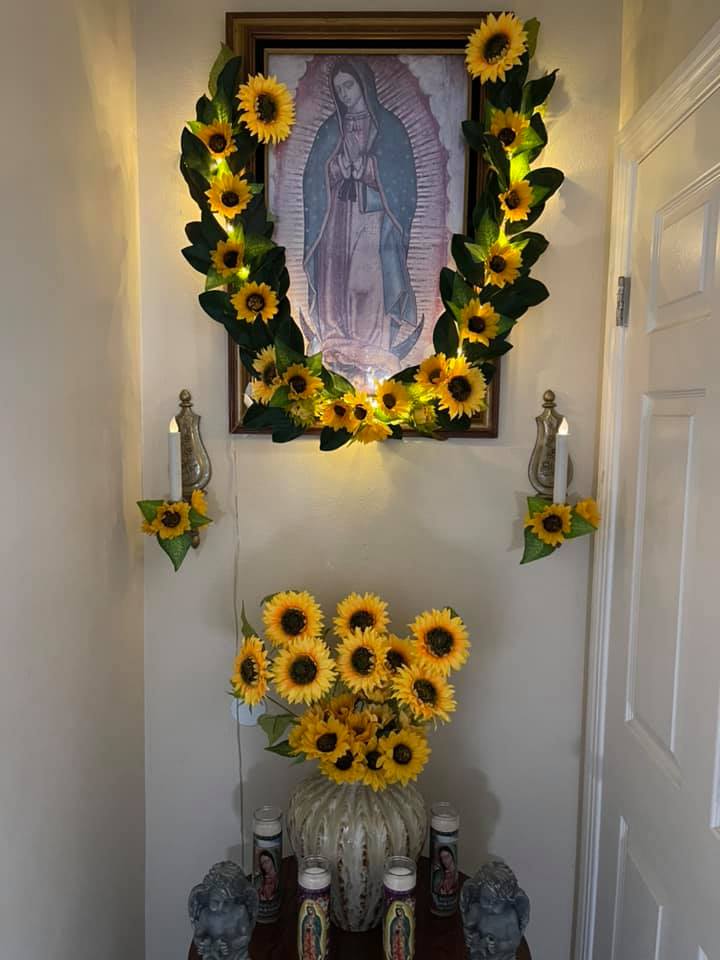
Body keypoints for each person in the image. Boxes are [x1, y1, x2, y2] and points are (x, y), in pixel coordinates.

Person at [302, 57, 420, 384]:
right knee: (336, 276)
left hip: (372, 217)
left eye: (349, 85)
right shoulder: (330, 130)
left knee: (366, 279)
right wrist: (336, 168)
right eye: (338, 88)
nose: (344, 94)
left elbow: (404, 180)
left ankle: (371, 346)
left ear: (363, 84)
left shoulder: (389, 127)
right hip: (336, 218)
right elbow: (312, 178)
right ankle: (336, 340)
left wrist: (368, 168)